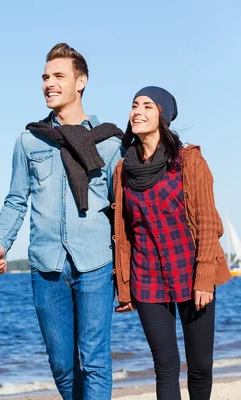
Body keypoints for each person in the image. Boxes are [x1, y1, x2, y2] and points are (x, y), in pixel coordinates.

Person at [0, 43, 123, 399]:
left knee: (95, 362)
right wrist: (1, 242)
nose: (49, 83)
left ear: (81, 82)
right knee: (62, 366)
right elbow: (17, 199)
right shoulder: (29, 140)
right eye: (45, 77)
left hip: (96, 262)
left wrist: (127, 271)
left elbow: (120, 208)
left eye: (58, 76)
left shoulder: (108, 142)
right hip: (46, 265)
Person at [113, 86, 232, 399]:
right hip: (148, 278)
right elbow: (123, 234)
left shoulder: (189, 161)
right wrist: (124, 288)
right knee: (165, 367)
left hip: (192, 273)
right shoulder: (123, 170)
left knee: (200, 366)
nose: (137, 111)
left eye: (147, 106)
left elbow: (207, 223)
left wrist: (205, 279)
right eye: (134, 105)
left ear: (162, 115)